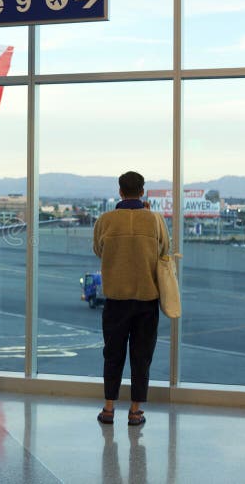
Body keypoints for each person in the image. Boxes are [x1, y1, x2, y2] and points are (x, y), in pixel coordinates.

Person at [93, 171, 168, 426]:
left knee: (112, 354)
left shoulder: (106, 220)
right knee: (141, 356)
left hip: (116, 298)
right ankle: (135, 412)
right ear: (143, 191)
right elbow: (165, 250)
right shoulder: (155, 220)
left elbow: (98, 250)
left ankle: (109, 408)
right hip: (147, 299)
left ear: (120, 191)